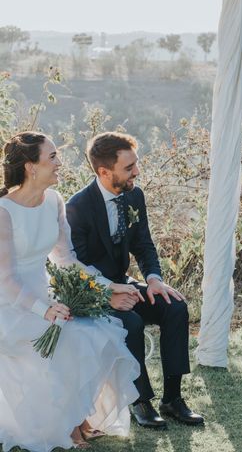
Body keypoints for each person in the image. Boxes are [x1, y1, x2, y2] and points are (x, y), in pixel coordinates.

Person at [0, 132, 140, 451]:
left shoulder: (55, 201)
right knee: (65, 342)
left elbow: (65, 260)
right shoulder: (4, 211)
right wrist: (44, 310)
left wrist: (107, 287)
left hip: (46, 296)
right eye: (52, 157)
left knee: (93, 335)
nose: (59, 163)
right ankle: (71, 427)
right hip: (11, 304)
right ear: (31, 167)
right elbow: (5, 279)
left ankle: (76, 419)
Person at [66, 131, 203, 429]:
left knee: (174, 306)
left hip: (125, 283)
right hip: (95, 293)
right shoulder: (77, 207)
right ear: (104, 171)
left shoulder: (134, 195)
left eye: (135, 164)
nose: (136, 172)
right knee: (132, 322)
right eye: (129, 168)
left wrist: (153, 279)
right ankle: (141, 401)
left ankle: (173, 399)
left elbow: (143, 244)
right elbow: (76, 267)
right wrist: (109, 294)